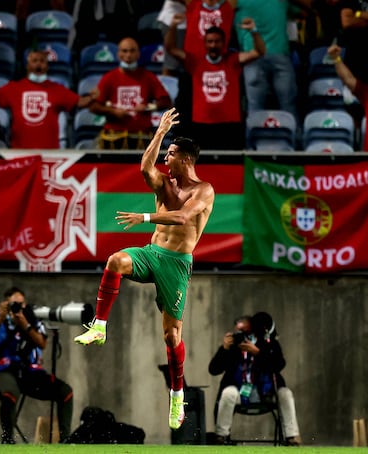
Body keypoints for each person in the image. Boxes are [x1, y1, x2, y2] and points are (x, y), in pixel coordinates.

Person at [73, 108, 215, 431]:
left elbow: (181, 218)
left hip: (177, 264)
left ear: (187, 159)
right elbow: (144, 167)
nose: (166, 157)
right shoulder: (162, 183)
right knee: (115, 261)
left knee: (171, 335)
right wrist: (160, 132)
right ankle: (99, 325)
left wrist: (145, 218)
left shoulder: (203, 190)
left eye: (172, 153)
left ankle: (177, 393)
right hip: (152, 252)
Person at [0, 286, 74, 444]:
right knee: (10, 391)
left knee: (65, 392)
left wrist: (24, 323)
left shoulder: (32, 319)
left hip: (29, 372)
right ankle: (8, 439)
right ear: (5, 304)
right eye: (14, 304)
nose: (18, 307)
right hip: (3, 371)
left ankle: (65, 440)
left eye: (22, 304)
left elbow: (42, 343)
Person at [164, 15, 264, 150]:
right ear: (204, 43)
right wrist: (173, 27)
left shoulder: (233, 60)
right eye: (210, 41)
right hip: (201, 125)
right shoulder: (195, 62)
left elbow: (259, 51)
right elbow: (170, 49)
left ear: (224, 43)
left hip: (229, 126)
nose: (213, 45)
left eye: (217, 42)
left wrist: (254, 31)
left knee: (230, 167)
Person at [208, 313, 302, 446]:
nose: (248, 336)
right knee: (228, 393)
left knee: (285, 394)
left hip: (267, 392)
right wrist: (224, 349)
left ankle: (291, 437)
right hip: (241, 392)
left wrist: (257, 352)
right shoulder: (235, 345)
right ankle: (221, 437)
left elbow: (279, 364)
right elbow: (213, 370)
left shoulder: (270, 344)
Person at [0, 49, 93, 149]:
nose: (38, 64)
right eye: (35, 61)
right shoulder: (14, 88)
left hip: (49, 151)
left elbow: (80, 102)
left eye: (42, 61)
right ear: (27, 66)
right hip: (20, 151)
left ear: (47, 66)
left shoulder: (57, 89)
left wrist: (95, 95)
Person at [90, 37, 173, 150]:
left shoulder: (148, 77)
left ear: (138, 54)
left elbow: (166, 101)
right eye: (124, 51)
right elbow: (94, 106)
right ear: (118, 54)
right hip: (114, 136)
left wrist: (148, 107)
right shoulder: (109, 78)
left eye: (132, 51)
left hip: (142, 136)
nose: (128, 55)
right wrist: (113, 111)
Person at [233, 0, 311, 119]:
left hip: (252, 55)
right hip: (279, 54)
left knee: (255, 107)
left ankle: (254, 137)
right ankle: (293, 136)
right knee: (288, 107)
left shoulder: (239, 2)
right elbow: (305, 13)